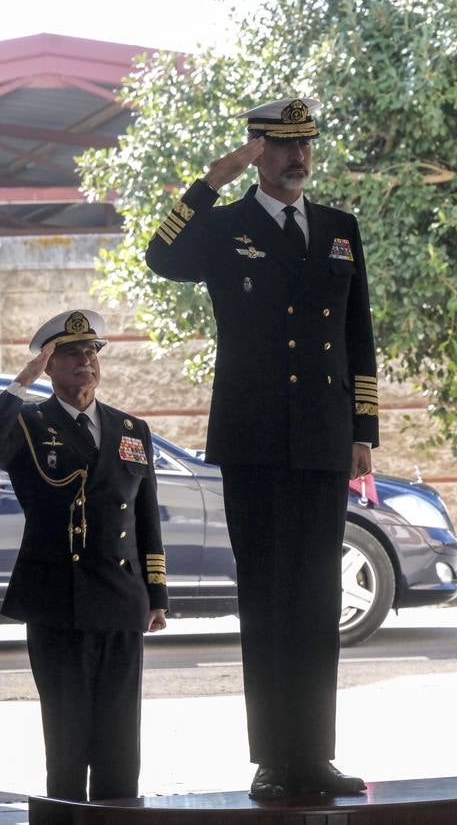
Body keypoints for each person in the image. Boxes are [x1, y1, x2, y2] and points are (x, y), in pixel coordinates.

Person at [146, 97, 379, 798]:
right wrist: (214, 177)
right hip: (254, 441)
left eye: (304, 144)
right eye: (280, 146)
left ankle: (315, 755)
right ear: (257, 150)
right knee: (270, 600)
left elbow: (358, 335)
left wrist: (363, 431)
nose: (296, 157)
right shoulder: (226, 227)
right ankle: (274, 760)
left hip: (323, 439)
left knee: (317, 600)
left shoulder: (340, 230)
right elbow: (161, 255)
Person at [0, 309, 168, 802]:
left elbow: (146, 516)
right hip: (58, 601)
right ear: (48, 366)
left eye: (92, 351)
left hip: (121, 598)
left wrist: (155, 593)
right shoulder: (29, 423)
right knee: (68, 738)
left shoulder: (131, 428)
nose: (85, 361)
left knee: (120, 738)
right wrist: (18, 385)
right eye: (70, 353)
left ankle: (119, 817)